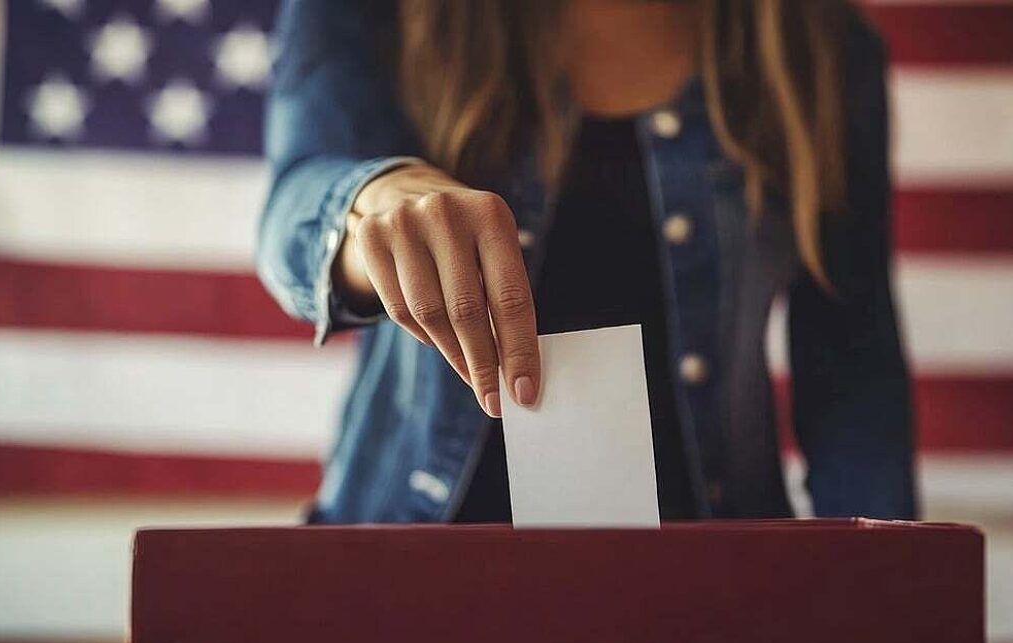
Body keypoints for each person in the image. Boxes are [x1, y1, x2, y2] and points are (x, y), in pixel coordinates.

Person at [257, 0, 916, 524]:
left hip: (710, 591)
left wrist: (883, 607)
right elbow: (295, 208)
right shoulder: (375, 11)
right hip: (407, 577)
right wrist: (372, 201)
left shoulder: (821, 46)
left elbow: (854, 373)